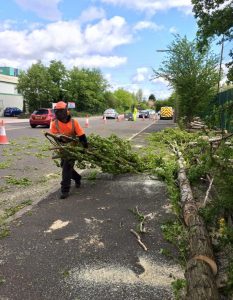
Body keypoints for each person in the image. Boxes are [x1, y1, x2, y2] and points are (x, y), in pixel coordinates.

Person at [50, 101, 88, 199]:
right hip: (62, 148)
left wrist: (84, 147)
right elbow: (54, 136)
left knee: (66, 167)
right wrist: (59, 138)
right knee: (64, 165)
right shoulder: (55, 123)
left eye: (61, 111)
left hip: (73, 148)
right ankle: (77, 177)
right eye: (57, 112)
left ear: (67, 111)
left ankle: (65, 190)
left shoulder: (73, 122)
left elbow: (81, 135)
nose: (59, 114)